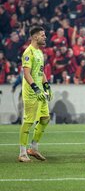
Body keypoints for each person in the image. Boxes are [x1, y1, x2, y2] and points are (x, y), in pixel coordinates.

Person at [18, 26, 53, 162]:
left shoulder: (39, 52)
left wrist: (46, 86)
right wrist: (35, 88)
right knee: (28, 121)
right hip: (31, 92)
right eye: (42, 35)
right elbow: (26, 74)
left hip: (40, 91)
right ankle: (22, 153)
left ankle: (33, 148)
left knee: (45, 118)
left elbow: (41, 71)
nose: (45, 37)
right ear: (35, 37)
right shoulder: (29, 52)